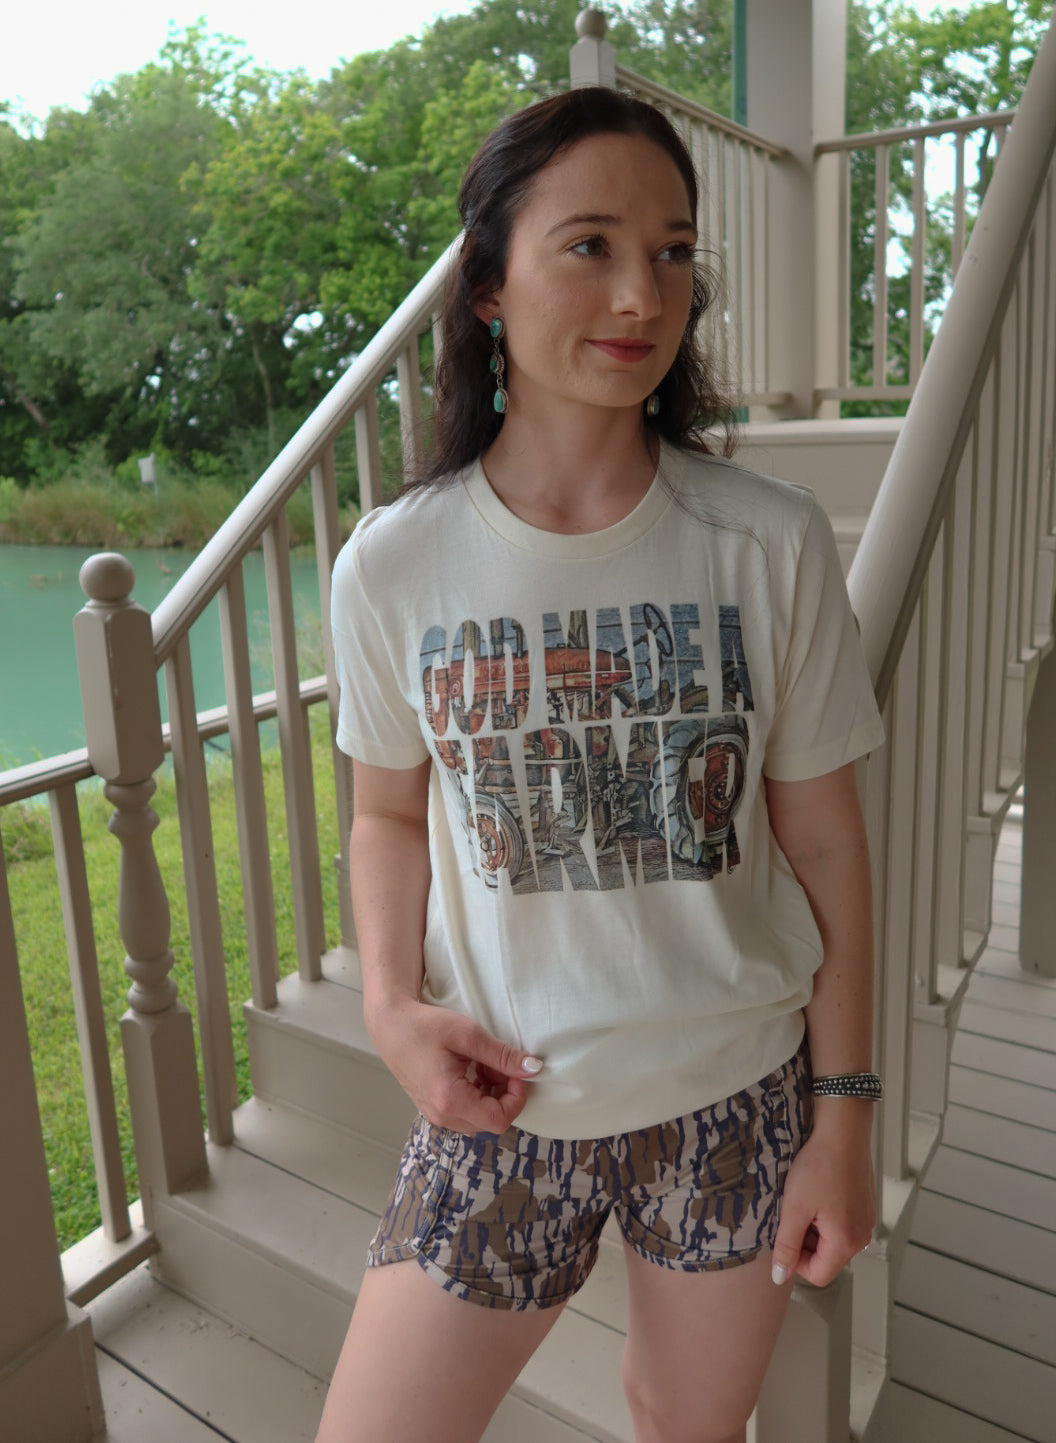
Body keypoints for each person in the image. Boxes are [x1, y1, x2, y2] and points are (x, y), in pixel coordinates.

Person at [319, 85, 885, 1443]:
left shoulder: (767, 541)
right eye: (590, 246)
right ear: (488, 286)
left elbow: (825, 847)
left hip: (735, 1101)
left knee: (683, 1423)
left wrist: (847, 1117)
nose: (644, 293)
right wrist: (392, 1007)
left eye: (673, 251)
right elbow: (386, 814)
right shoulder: (395, 564)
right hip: (505, 1107)